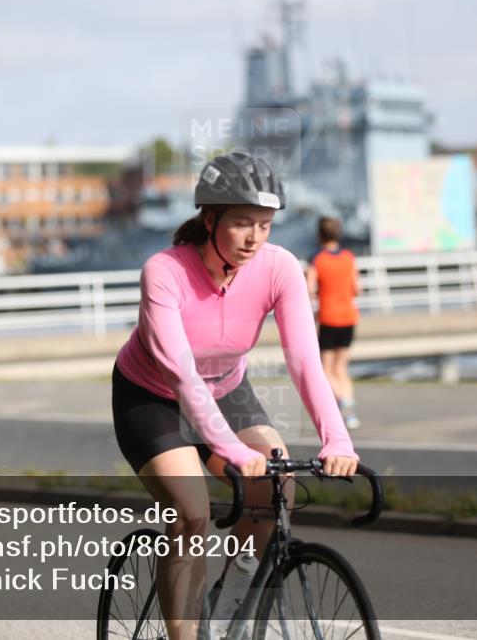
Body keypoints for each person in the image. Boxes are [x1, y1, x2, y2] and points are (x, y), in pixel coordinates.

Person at [112, 151, 360, 640]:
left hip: (226, 389)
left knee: (277, 490)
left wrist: (338, 440)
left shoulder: (279, 268)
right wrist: (230, 451)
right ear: (210, 218)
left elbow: (306, 361)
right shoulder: (164, 272)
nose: (255, 238)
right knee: (192, 513)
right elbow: (182, 377)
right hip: (154, 396)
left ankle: (230, 620)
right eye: (243, 223)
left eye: (265, 225)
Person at [306, 216, 361, 430]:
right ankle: (349, 408)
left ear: (319, 234)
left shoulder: (317, 259)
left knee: (326, 368)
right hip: (349, 316)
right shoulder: (349, 257)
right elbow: (357, 288)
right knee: (342, 368)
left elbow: (310, 290)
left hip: (329, 317)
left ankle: (343, 402)